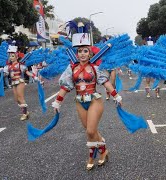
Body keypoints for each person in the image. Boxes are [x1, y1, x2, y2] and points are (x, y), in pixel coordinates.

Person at [51, 22, 122, 170]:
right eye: (80, 51)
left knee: (90, 130)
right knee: (91, 131)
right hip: (79, 101)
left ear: (90, 53)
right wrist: (57, 102)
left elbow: (105, 82)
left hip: (94, 100)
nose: (82, 54)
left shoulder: (96, 68)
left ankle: (91, 156)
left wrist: (116, 96)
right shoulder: (71, 69)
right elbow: (66, 86)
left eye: (85, 51)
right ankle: (103, 150)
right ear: (76, 54)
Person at [0, 45, 39, 120]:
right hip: (13, 83)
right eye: (10, 56)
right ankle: (26, 112)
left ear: (16, 57)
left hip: (20, 82)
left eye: (13, 56)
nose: (11, 57)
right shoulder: (8, 67)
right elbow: (5, 75)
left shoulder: (20, 65)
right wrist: (1, 71)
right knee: (16, 99)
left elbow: (27, 72)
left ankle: (24, 114)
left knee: (21, 98)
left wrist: (34, 76)